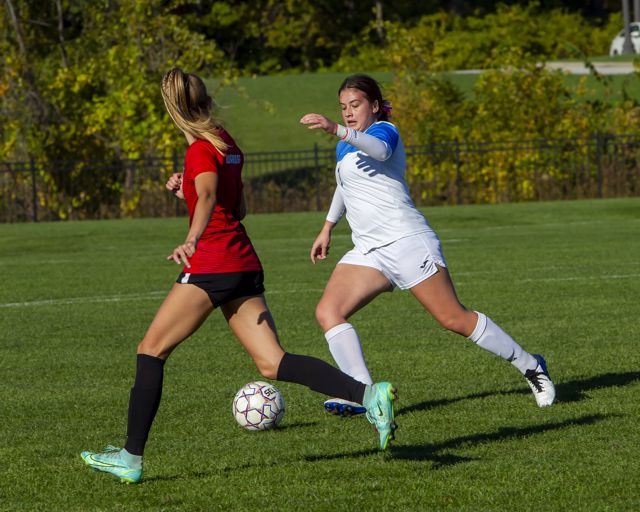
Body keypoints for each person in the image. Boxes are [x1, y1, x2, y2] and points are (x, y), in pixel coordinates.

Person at [81, 68, 397, 484]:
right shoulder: (225, 142)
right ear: (205, 101)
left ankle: (130, 458)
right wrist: (186, 191)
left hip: (212, 263)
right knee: (273, 362)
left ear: (174, 109)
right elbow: (235, 206)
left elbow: (209, 194)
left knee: (150, 350)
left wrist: (192, 237)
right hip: (243, 262)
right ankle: (369, 395)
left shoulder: (200, 149)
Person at [299, 74, 555, 417]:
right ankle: (365, 394)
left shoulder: (385, 131)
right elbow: (345, 186)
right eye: (343, 107)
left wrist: (335, 128)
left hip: (406, 241)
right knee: (328, 312)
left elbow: (379, 151)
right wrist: (327, 227)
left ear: (374, 106)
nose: (347, 112)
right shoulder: (344, 144)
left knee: (453, 318)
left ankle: (531, 366)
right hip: (369, 250)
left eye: (355, 105)